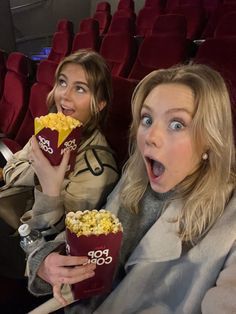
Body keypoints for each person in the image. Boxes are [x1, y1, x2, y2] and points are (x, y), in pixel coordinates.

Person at [27, 63, 236, 314]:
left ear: (210, 140)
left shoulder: (229, 220)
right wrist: (45, 261)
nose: (150, 136)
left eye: (177, 124)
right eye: (147, 119)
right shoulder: (134, 178)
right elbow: (84, 244)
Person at [0, 49, 119, 278]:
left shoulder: (98, 170)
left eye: (80, 88)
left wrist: (50, 188)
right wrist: (38, 173)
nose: (64, 96)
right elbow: (10, 169)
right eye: (62, 83)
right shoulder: (50, 129)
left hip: (32, 251)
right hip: (9, 209)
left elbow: (59, 245)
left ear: (100, 103)